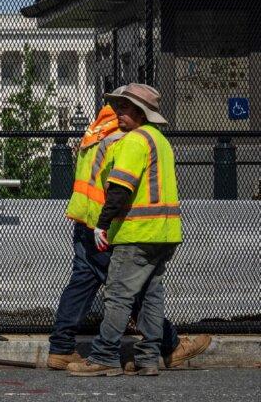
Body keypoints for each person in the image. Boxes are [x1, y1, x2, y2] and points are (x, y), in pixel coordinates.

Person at [48, 104, 209, 370]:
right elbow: (121, 185)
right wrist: (105, 222)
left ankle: (61, 348)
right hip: (107, 223)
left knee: (82, 284)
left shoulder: (94, 132)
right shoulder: (124, 136)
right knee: (132, 290)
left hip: (83, 219)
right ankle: (169, 345)